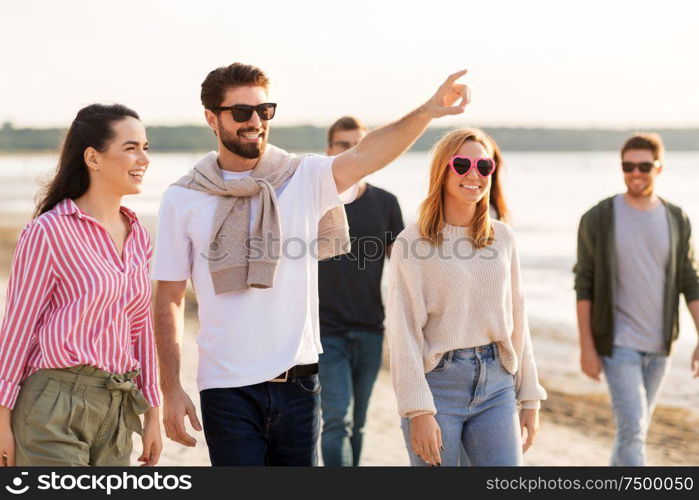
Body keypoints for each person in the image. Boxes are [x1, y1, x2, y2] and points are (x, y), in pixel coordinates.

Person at [152, 62, 470, 466]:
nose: (255, 121)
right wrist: (170, 388)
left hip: (300, 388)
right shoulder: (184, 198)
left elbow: (368, 154)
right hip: (226, 389)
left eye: (264, 111)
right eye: (241, 112)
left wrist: (426, 111)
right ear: (211, 118)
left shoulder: (301, 176)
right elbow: (168, 298)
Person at [0, 104, 162, 467]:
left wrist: (152, 412)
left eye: (146, 148)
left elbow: (141, 331)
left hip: (117, 407)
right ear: (93, 157)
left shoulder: (139, 237)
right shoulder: (48, 231)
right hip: (53, 405)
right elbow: (17, 329)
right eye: (131, 147)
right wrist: (2, 420)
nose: (144, 159)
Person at [387, 128, 546, 467]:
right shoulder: (412, 242)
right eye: (461, 164)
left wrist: (530, 396)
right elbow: (403, 331)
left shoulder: (503, 238)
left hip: (497, 385)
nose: (474, 174)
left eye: (483, 166)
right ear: (442, 171)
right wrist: (418, 410)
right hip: (437, 386)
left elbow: (517, 316)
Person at [574, 133, 699, 466]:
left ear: (660, 168)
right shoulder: (597, 218)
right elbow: (584, 283)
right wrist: (587, 345)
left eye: (644, 165)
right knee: (633, 428)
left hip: (660, 345)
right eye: (628, 166)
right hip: (617, 343)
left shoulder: (676, 219)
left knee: (636, 429)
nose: (636, 173)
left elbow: (690, 279)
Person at [317, 116, 404, 466]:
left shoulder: (386, 203)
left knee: (360, 425)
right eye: (344, 145)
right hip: (325, 331)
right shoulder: (316, 201)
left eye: (360, 145)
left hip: (370, 329)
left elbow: (405, 268)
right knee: (337, 420)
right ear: (329, 151)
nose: (353, 152)